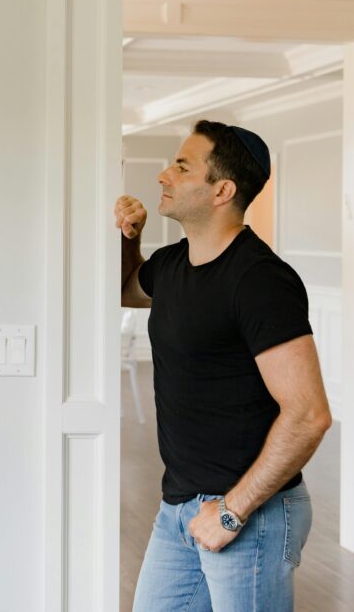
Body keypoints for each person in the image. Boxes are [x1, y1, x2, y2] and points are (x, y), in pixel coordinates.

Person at [116, 120, 333, 611]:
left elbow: (308, 414)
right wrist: (132, 238)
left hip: (249, 514)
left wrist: (231, 513)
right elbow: (127, 290)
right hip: (180, 508)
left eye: (182, 165)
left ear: (223, 189)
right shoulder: (172, 265)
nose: (163, 176)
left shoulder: (260, 280)